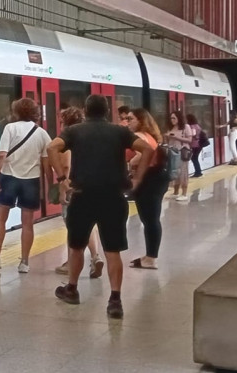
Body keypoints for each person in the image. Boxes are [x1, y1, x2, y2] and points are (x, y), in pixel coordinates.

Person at [47, 95, 153, 319]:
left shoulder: (74, 131)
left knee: (76, 246)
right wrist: (138, 179)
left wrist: (62, 179)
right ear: (107, 111)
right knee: (112, 251)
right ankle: (115, 300)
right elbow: (147, 149)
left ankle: (72, 289)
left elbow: (52, 147)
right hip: (113, 198)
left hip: (82, 196)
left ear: (85, 110)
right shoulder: (120, 132)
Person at [0, 98, 51, 273]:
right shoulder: (42, 133)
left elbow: (1, 155)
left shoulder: (10, 128)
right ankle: (24, 262)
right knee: (27, 223)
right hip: (31, 181)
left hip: (9, 178)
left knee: (0, 218)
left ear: (16, 111)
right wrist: (51, 185)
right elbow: (46, 163)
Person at [54, 107, 104, 279]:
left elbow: (66, 166)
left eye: (62, 122)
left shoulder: (68, 141)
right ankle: (95, 257)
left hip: (73, 188)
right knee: (89, 224)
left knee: (73, 227)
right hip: (89, 186)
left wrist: (62, 190)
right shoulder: (90, 139)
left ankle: (71, 263)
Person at [125, 108, 171, 270]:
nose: (127, 122)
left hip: (149, 180)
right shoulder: (148, 135)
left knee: (150, 219)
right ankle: (149, 255)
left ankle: (151, 258)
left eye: (130, 119)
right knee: (150, 218)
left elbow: (142, 155)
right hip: (156, 178)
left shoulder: (139, 136)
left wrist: (131, 164)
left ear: (140, 121)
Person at [165, 111, 193, 199]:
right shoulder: (171, 128)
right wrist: (166, 137)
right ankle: (175, 192)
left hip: (182, 152)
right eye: (171, 118)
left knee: (183, 172)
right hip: (172, 152)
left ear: (179, 118)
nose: (172, 120)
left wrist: (176, 137)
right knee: (174, 172)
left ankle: (184, 193)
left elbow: (189, 140)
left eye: (174, 118)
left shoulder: (186, 127)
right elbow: (168, 141)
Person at [186, 114, 204, 178]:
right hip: (199, 144)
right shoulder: (197, 125)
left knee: (194, 158)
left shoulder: (191, 126)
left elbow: (193, 134)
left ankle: (198, 172)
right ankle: (198, 171)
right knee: (195, 158)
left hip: (194, 144)